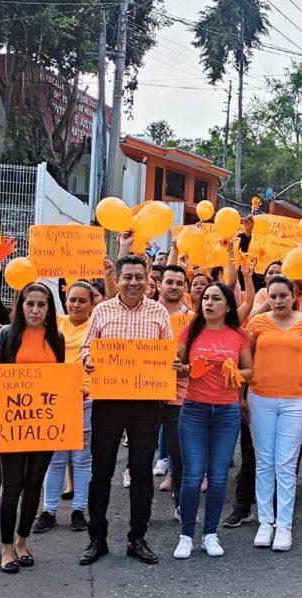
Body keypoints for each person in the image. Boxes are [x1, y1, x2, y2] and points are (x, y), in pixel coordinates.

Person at [80, 242, 173, 566]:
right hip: (108, 401)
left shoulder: (159, 311)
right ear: (116, 280)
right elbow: (86, 349)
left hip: (146, 404)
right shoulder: (102, 310)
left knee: (142, 472)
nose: (133, 282)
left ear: (148, 279)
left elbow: (168, 353)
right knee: (101, 471)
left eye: (139, 277)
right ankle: (97, 538)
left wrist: (171, 365)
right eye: (127, 277)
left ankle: (137, 537)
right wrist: (90, 359)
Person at [244, 275, 302, 553]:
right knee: (264, 462)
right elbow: (245, 359)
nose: (278, 301)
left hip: (297, 402)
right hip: (260, 399)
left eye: (283, 296)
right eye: (273, 296)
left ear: (294, 297)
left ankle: (284, 525)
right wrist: (241, 397)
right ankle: (265, 522)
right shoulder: (257, 323)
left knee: (286, 464)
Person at [172, 282, 252, 559]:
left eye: (216, 298)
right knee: (192, 476)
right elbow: (177, 369)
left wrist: (235, 371)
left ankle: (210, 534)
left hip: (227, 412)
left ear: (228, 305)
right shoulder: (189, 331)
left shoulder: (239, 335)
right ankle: (186, 535)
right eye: (205, 298)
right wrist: (187, 369)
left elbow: (250, 371)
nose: (209, 303)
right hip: (194, 410)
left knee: (218, 478)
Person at [0, 282, 66, 573]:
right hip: (11, 425)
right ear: (21, 306)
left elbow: (60, 380)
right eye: (30, 304)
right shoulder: (7, 335)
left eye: (42, 305)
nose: (35, 310)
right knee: (12, 487)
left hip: (44, 424)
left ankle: (23, 541)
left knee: (34, 485)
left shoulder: (56, 338)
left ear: (49, 309)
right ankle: (6, 548)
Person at [33, 281, 97, 534]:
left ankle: (79, 510)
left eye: (83, 301)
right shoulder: (55, 324)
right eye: (72, 300)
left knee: (81, 459)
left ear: (92, 305)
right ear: (65, 300)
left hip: (86, 399)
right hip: (56, 400)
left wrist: (87, 389)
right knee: (56, 459)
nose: (76, 305)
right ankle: (48, 511)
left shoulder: (97, 327)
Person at [156, 265, 193, 503]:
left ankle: (180, 503)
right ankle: (142, 511)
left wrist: (186, 368)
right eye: (169, 282)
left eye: (179, 283)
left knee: (178, 452)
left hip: (178, 394)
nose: (174, 287)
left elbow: (199, 357)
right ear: (160, 284)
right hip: (146, 392)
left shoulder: (193, 319)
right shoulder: (146, 312)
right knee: (141, 454)